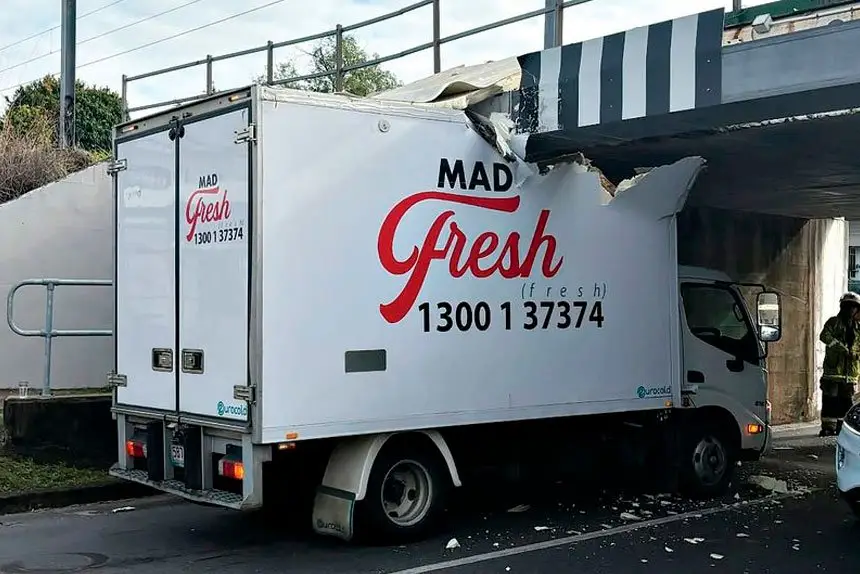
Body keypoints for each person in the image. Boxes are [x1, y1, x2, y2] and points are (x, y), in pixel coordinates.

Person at [819, 291, 860, 436]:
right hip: (833, 371)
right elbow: (824, 336)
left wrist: (855, 355)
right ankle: (828, 427)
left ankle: (843, 428)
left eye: (854, 307)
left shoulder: (858, 327)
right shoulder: (833, 323)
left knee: (846, 402)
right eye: (848, 306)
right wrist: (841, 349)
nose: (851, 310)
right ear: (843, 307)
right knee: (830, 400)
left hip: (851, 373)